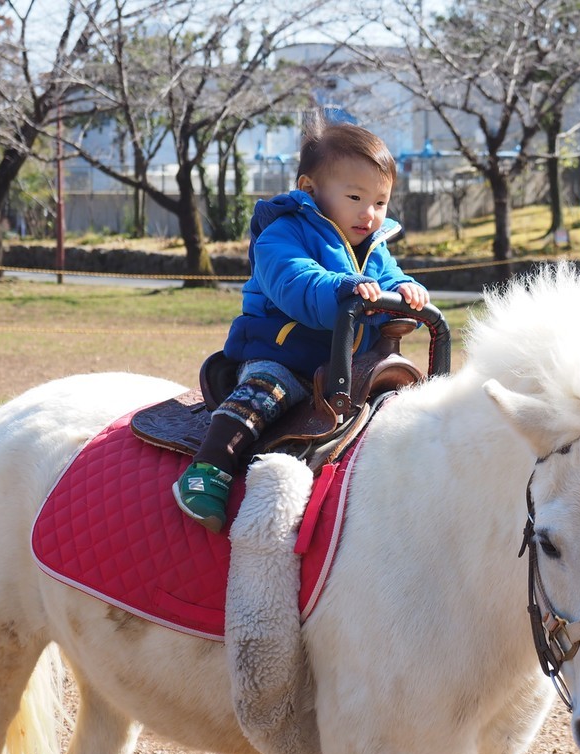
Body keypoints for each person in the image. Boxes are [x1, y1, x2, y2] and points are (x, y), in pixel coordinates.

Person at [174, 122, 429, 532]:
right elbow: (298, 285)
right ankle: (210, 466)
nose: (370, 213)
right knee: (264, 392)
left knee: (406, 402)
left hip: (348, 363)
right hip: (284, 353)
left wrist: (406, 289)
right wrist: (345, 288)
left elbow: (394, 276)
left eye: (381, 202)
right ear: (310, 189)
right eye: (355, 197)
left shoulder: (373, 246)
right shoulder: (281, 234)